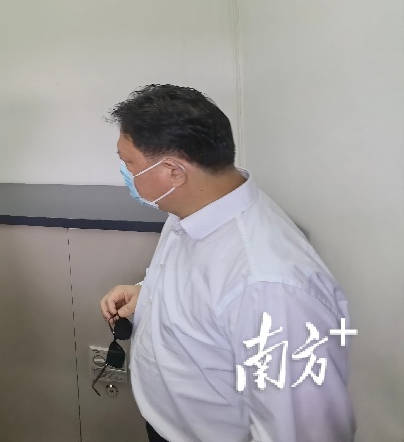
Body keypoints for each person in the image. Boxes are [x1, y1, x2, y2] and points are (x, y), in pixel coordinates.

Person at [99, 84, 354, 442]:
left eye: (129, 163)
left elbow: (302, 431)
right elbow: (207, 295)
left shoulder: (268, 286)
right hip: (167, 424)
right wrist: (148, 294)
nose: (126, 172)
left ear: (173, 171)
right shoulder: (195, 207)